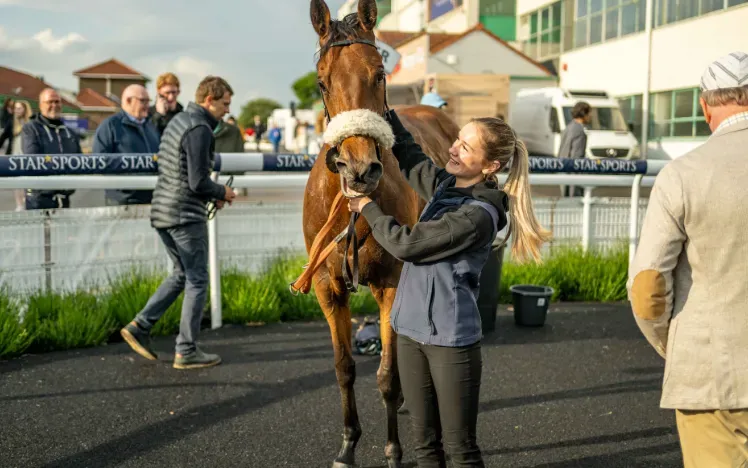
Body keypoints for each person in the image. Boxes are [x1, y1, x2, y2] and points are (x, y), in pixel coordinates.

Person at [348, 109, 551, 467]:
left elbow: (406, 244)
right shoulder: (445, 186)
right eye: (457, 140)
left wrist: (367, 206)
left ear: (490, 166)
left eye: (466, 148)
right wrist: (385, 111)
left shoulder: (477, 215)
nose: (454, 149)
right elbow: (411, 160)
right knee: (424, 445)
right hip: (409, 333)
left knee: (460, 450)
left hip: (450, 342)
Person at [628, 51, 748, 468]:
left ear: (703, 105)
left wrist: (672, 345)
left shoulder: (683, 174)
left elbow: (647, 287)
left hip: (711, 374)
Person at [120, 76, 237, 370]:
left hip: (163, 211)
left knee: (180, 274)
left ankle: (140, 326)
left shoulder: (178, 121)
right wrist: (222, 191)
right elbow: (198, 182)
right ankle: (186, 350)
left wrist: (213, 195)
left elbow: (184, 174)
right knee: (197, 279)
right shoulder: (200, 128)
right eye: (224, 104)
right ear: (209, 100)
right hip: (184, 215)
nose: (227, 110)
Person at [93, 84, 160, 206]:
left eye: (148, 101)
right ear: (128, 101)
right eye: (143, 101)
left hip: (151, 199)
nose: (147, 105)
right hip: (122, 201)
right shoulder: (110, 126)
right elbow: (99, 161)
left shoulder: (151, 126)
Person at [21, 88, 79, 210]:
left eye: (57, 102)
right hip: (39, 200)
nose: (54, 105)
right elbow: (33, 160)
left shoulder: (70, 133)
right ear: (41, 105)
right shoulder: (31, 129)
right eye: (50, 102)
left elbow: (79, 161)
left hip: (64, 200)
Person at [0, 99, 32, 211]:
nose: (17, 110)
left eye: (19, 108)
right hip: (14, 155)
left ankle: (28, 200)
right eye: (15, 108)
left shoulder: (31, 123)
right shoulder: (12, 123)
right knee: (16, 181)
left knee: (28, 181)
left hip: (27, 156)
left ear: (25, 109)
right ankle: (19, 204)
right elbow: (3, 137)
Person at [558, 101, 591, 197]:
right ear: (584, 114)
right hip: (572, 174)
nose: (590, 117)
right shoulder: (580, 131)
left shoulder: (568, 128)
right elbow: (577, 157)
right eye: (589, 114)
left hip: (562, 171)